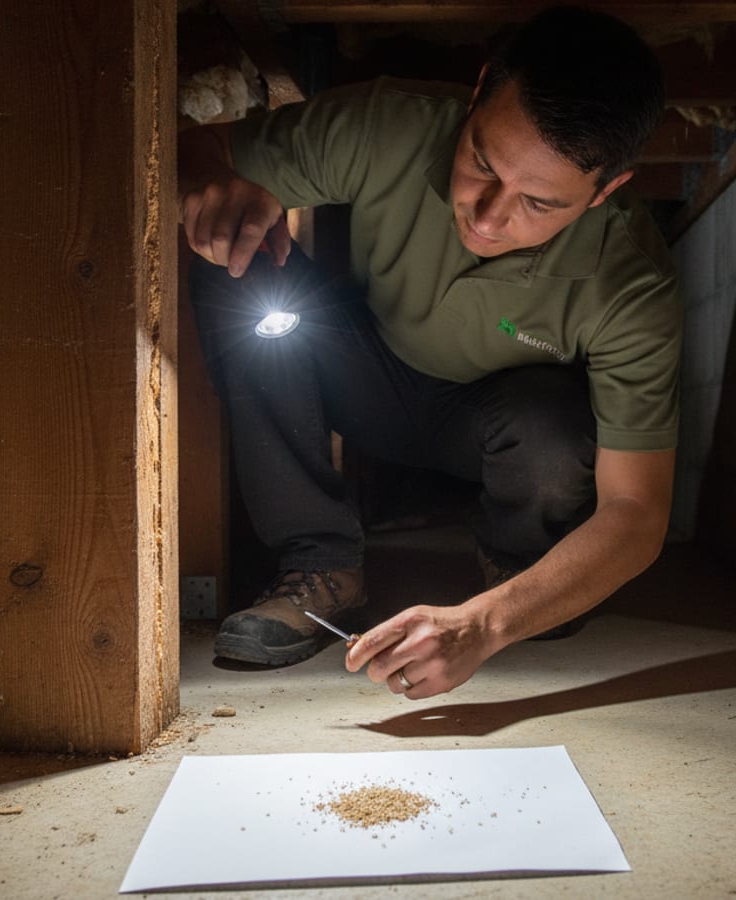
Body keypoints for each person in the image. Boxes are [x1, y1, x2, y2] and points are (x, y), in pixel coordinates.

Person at [178, 5, 681, 699]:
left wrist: (488, 624)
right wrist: (214, 191)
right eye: (482, 161)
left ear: (606, 193)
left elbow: (637, 512)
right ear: (477, 93)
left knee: (551, 432)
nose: (487, 214)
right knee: (245, 274)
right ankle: (320, 566)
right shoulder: (392, 125)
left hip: (495, 428)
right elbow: (195, 148)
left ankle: (519, 571)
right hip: (361, 370)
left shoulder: (632, 287)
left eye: (538, 204)